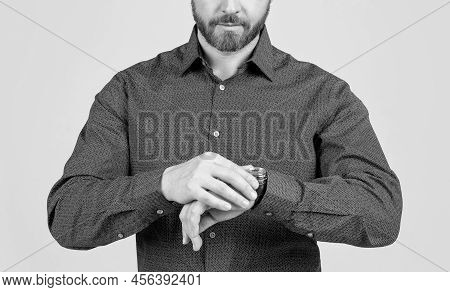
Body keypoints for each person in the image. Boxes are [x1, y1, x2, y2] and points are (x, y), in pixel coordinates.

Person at [47, 0, 403, 272]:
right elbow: (67, 217)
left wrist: (260, 188)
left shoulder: (326, 94)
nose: (230, 7)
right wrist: (164, 184)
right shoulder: (129, 90)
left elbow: (381, 214)